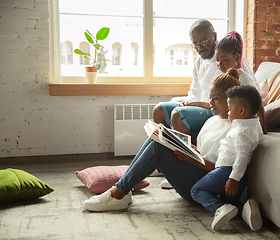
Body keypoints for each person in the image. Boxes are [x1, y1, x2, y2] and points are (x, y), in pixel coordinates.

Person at [82, 68, 244, 213]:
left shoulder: (234, 130)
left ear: (231, 99)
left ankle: (118, 193)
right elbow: (204, 152)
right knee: (157, 137)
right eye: (210, 98)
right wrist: (191, 149)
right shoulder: (212, 120)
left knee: (158, 148)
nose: (210, 102)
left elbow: (225, 174)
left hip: (205, 189)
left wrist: (194, 161)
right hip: (196, 173)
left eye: (216, 98)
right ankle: (123, 188)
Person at [153, 20, 256, 136]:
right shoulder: (198, 63)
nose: (199, 47)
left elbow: (251, 88)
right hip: (199, 106)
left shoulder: (229, 56)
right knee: (159, 110)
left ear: (214, 36)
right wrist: (188, 102)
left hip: (216, 109)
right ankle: (168, 149)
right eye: (195, 44)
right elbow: (195, 90)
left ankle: (187, 153)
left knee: (178, 115)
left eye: (203, 42)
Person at [190, 83, 263, 231]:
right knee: (224, 200)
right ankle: (244, 211)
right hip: (239, 178)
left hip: (227, 173)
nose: (228, 113)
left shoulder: (240, 131)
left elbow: (242, 156)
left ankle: (221, 208)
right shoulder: (255, 126)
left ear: (241, 111)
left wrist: (232, 179)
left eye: (230, 109)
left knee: (196, 191)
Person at [215, 31, 267, 133]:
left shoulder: (244, 79)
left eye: (224, 60)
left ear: (237, 58)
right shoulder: (225, 78)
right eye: (217, 60)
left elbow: (259, 105)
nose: (219, 64)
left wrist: (264, 130)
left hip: (245, 124)